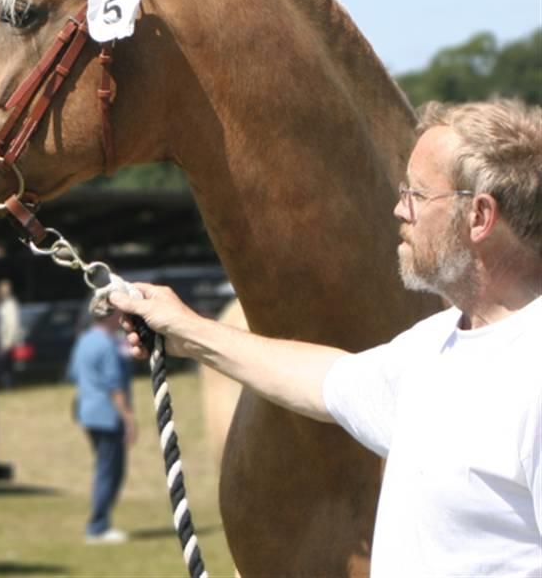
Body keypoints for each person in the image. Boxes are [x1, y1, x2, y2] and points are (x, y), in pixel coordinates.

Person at [111, 99, 542, 577]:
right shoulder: (436, 343)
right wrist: (184, 329)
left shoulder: (533, 373)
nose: (399, 208)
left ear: (480, 216)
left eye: (417, 194)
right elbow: (324, 380)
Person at [67, 307, 136, 544]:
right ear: (108, 315)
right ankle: (98, 527)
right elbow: (115, 387)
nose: (121, 318)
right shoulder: (107, 344)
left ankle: (100, 523)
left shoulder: (84, 340)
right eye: (117, 314)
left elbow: (74, 374)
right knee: (110, 472)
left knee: (104, 469)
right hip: (107, 416)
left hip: (88, 414)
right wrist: (129, 420)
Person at [0, 279, 21, 388]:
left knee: (6, 366)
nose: (3, 291)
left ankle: (9, 386)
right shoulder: (2, 304)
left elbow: (12, 325)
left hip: (6, 341)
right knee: (6, 366)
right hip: (2, 341)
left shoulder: (10, 304)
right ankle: (8, 385)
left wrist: (8, 342)